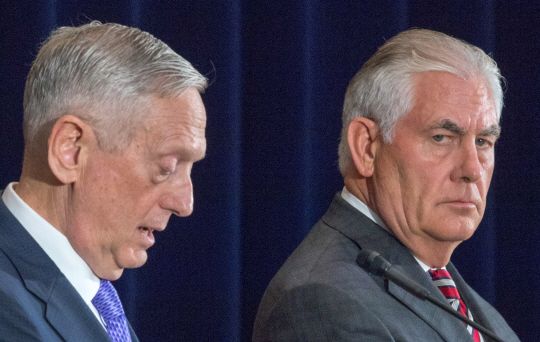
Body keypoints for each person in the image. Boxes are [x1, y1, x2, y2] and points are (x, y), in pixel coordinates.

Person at [253, 29, 520, 342]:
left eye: (483, 141)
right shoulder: (325, 301)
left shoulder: (475, 308)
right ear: (367, 147)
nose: (473, 169)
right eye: (441, 138)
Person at [0, 21, 207, 341]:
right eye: (166, 167)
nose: (185, 204)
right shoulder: (8, 315)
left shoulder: (89, 292)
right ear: (71, 151)